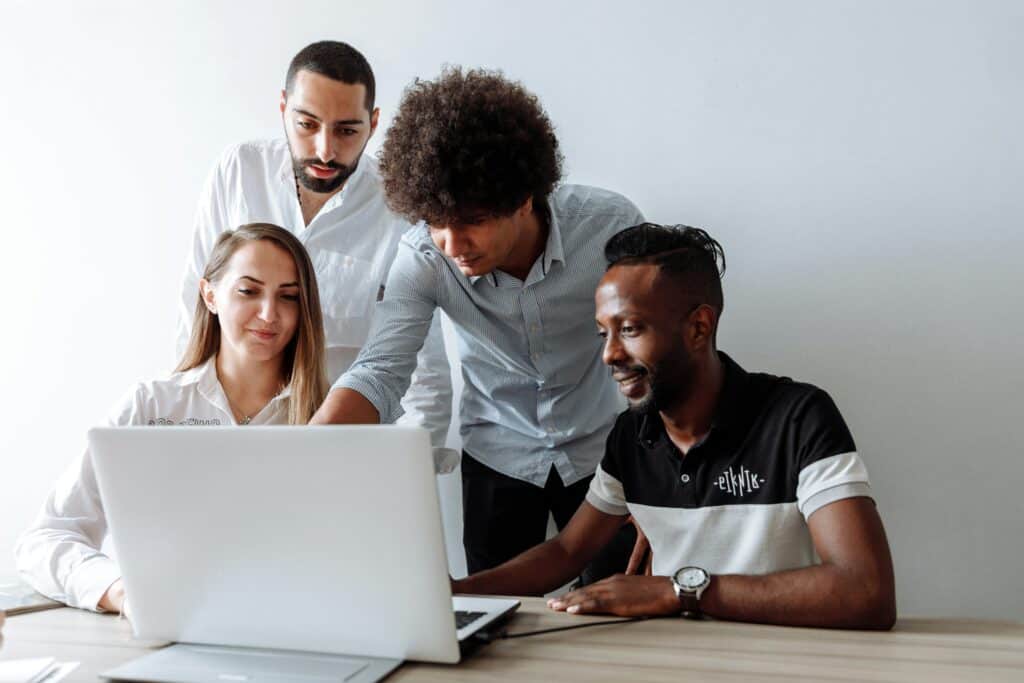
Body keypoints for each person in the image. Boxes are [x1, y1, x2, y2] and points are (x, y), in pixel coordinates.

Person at [452, 224, 897, 630]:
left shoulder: (799, 418)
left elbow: (866, 592)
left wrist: (676, 591)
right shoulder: (630, 436)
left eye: (629, 329)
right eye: (602, 333)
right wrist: (453, 595)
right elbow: (567, 552)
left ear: (699, 327)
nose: (609, 354)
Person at [312, 67, 644, 580]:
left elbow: (659, 352)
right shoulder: (424, 257)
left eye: (471, 221)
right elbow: (380, 371)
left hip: (606, 450)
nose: (452, 244)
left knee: (617, 623)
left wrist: (665, 479)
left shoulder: (609, 227)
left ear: (522, 197)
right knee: (496, 625)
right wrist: (303, 459)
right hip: (498, 457)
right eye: (436, 222)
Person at [16, 224, 327, 613]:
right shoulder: (150, 406)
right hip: (163, 627)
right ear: (209, 295)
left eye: (289, 297)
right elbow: (44, 539)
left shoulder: (327, 417)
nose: (269, 313)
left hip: (291, 621)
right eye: (248, 291)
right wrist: (121, 593)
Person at [178, 40, 452, 452]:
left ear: (373, 123)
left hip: (345, 455)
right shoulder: (238, 171)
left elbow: (423, 367)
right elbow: (194, 315)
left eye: (346, 130)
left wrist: (408, 471)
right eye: (307, 125)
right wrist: (182, 433)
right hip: (231, 442)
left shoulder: (398, 206)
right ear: (284, 108)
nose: (325, 150)